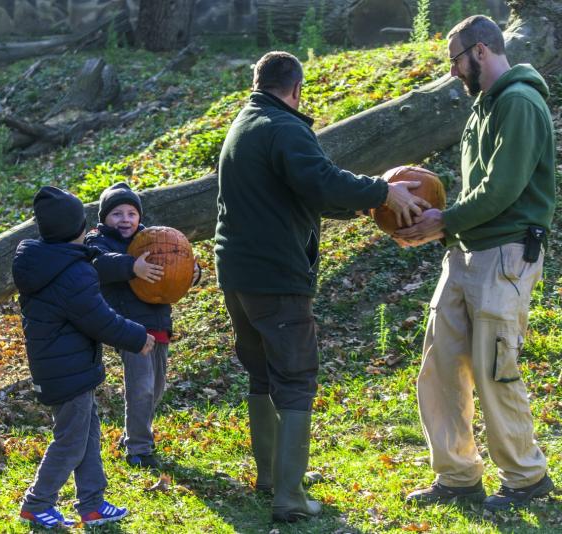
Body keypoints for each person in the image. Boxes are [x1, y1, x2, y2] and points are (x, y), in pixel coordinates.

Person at [214, 50, 429, 521]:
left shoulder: (245, 123)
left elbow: (302, 191)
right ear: (296, 89)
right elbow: (321, 178)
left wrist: (362, 203)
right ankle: (289, 496)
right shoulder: (285, 128)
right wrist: (382, 192)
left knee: (262, 374)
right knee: (294, 379)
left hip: (238, 274)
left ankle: (271, 477)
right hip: (275, 276)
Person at [396, 15, 556, 511]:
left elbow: (504, 189)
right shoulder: (483, 108)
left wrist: (444, 221)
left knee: (494, 370)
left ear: (481, 51)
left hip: (506, 254)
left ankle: (527, 479)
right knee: (440, 367)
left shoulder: (520, 102)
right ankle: (458, 476)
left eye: (456, 61)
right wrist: (433, 209)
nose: (453, 72)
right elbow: (475, 191)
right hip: (465, 252)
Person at [12, 186, 155, 528]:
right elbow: (99, 319)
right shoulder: (72, 274)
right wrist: (137, 337)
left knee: (87, 436)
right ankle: (37, 502)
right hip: (67, 371)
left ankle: (91, 502)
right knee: (72, 442)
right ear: (77, 227)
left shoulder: (52, 260)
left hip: (70, 366)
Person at [85, 182, 200, 469]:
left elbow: (176, 269)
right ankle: (139, 448)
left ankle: (131, 435)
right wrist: (131, 266)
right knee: (142, 388)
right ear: (104, 219)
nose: (125, 219)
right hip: (129, 327)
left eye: (131, 213)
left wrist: (192, 273)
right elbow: (98, 264)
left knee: (156, 387)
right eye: (117, 214)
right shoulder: (99, 241)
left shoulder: (157, 242)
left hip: (158, 323)